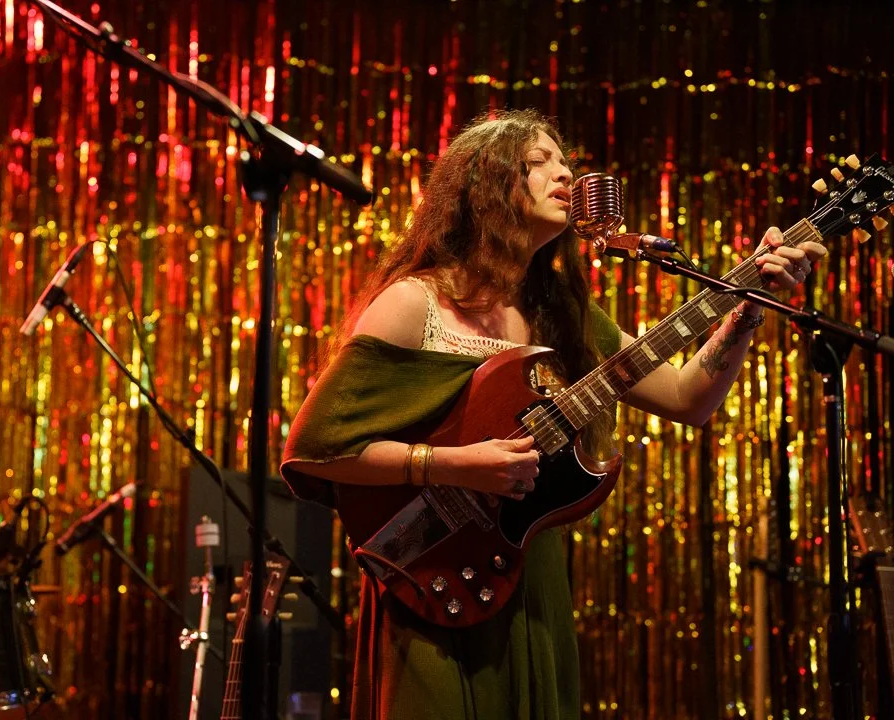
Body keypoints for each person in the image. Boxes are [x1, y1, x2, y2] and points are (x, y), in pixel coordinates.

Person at [279, 109, 826, 720]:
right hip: (431, 575)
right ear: (484, 185)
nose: (565, 174)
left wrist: (747, 308)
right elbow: (317, 447)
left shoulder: (563, 315)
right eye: (538, 162)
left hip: (529, 574)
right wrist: (457, 465)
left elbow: (687, 398)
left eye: (565, 162)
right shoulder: (415, 303)